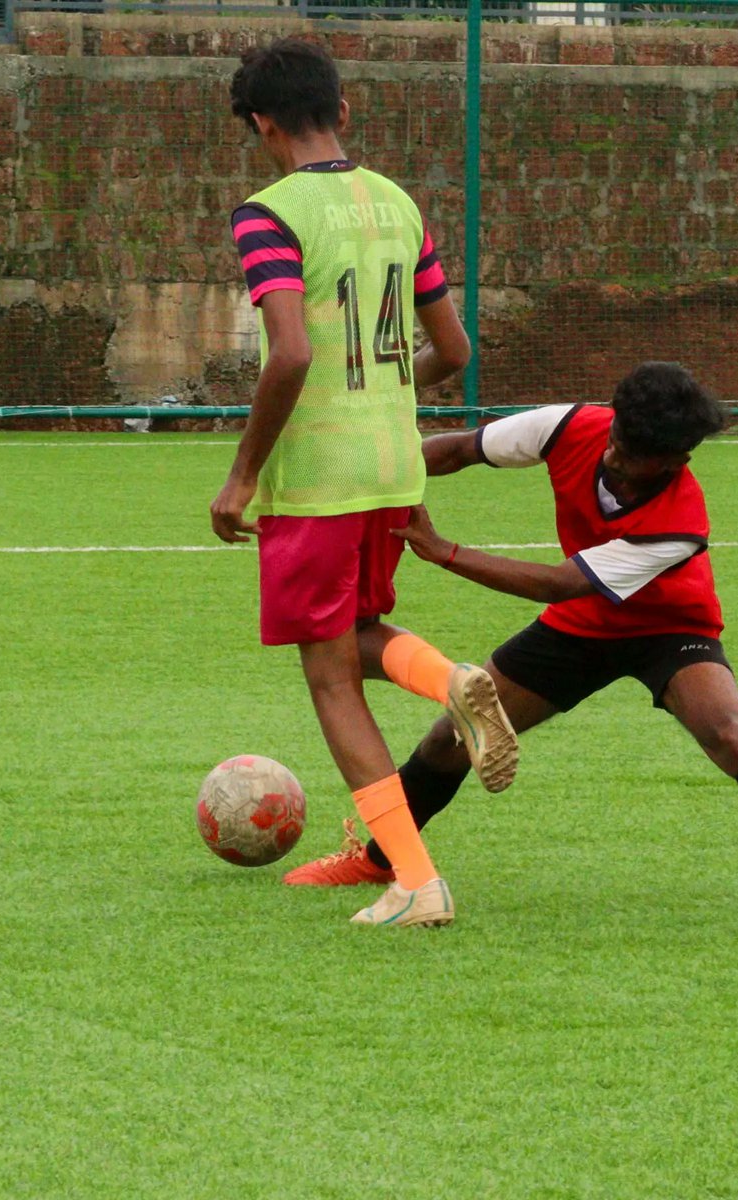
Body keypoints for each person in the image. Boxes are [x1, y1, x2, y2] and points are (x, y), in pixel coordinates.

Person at [286, 361, 738, 937]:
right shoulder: (567, 427)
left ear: (675, 460)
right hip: (581, 625)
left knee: (730, 733)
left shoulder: (680, 521)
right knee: (452, 737)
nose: (613, 454)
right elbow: (456, 450)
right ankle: (376, 859)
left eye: (632, 455)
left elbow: (560, 581)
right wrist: (365, 482)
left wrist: (445, 551)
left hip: (668, 625)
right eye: (616, 435)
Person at [209, 37, 518, 930]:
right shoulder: (398, 203)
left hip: (320, 474)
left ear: (263, 125)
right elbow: (454, 352)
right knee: (358, 629)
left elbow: (292, 352)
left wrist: (242, 475)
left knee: (329, 674)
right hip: (395, 462)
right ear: (343, 111)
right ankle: (451, 680)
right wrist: (382, 392)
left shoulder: (267, 213)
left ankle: (415, 879)